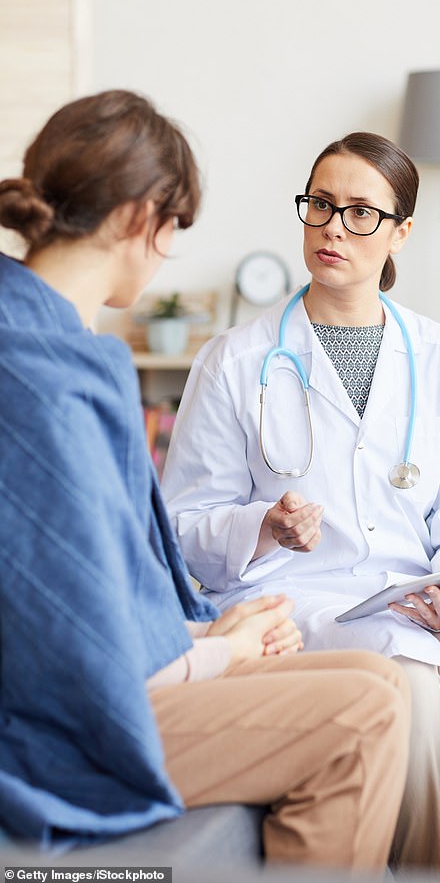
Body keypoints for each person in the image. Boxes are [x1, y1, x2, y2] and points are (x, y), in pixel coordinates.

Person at [0, 94, 412, 870]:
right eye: (174, 231)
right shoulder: (41, 372)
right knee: (362, 711)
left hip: (111, 674)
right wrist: (220, 649)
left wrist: (207, 635)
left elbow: (84, 589)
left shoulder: (54, 340)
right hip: (53, 730)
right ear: (141, 216)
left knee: (379, 674)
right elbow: (67, 639)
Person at [162, 130, 440, 876]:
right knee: (415, 713)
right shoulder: (234, 361)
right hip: (304, 605)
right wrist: (261, 526)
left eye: (362, 212)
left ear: (401, 230)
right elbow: (182, 530)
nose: (334, 226)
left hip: (430, 602)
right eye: (321, 205)